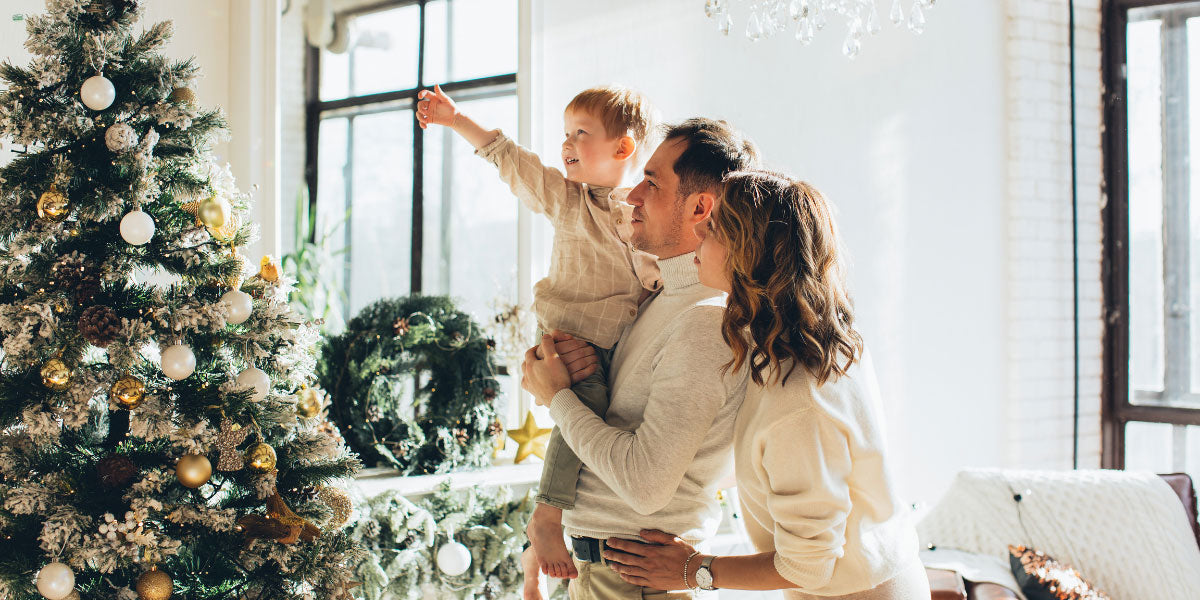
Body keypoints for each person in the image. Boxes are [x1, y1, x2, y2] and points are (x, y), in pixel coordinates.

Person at [592, 171, 929, 599]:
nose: (698, 231)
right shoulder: (812, 341)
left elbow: (809, 565)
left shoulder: (799, 397)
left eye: (714, 228)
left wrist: (693, 570)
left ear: (750, 254)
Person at [414, 84, 663, 591]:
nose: (566, 142)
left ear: (623, 148)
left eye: (581, 133)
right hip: (568, 338)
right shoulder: (569, 200)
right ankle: (546, 519)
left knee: (599, 436)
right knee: (583, 409)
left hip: (610, 347)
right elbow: (510, 158)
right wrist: (455, 119)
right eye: (565, 132)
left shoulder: (640, 210)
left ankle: (538, 548)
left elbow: (658, 274)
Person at [520, 118, 760, 599]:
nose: (631, 195)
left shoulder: (704, 321)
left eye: (652, 182)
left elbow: (645, 485)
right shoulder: (657, 301)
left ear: (700, 207)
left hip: (631, 578)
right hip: (604, 569)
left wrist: (557, 396)